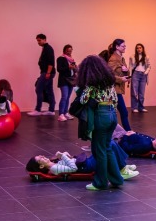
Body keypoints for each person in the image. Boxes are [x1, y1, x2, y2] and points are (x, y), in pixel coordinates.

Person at [75, 55, 124, 191]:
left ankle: (100, 182)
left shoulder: (92, 85)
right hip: (112, 114)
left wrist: (80, 90)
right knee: (107, 147)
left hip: (101, 115)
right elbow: (115, 100)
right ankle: (116, 179)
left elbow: (83, 100)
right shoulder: (109, 82)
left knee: (99, 150)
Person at [26, 147, 140, 181]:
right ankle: (122, 170)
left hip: (85, 163)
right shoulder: (54, 169)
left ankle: (122, 166)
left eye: (41, 155)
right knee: (108, 146)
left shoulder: (54, 163)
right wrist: (63, 156)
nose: (43, 156)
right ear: (41, 166)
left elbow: (70, 163)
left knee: (109, 144)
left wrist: (67, 156)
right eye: (40, 159)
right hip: (86, 167)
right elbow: (73, 168)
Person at [106, 39, 132, 131]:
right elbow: (109, 75)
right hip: (114, 89)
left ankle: (125, 132)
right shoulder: (113, 59)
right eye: (123, 46)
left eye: (125, 46)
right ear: (117, 47)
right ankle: (128, 132)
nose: (125, 47)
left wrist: (127, 71)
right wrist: (121, 79)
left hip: (118, 89)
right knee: (123, 112)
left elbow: (124, 71)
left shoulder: (121, 58)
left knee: (119, 112)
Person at [31, 33, 56, 116]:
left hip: (47, 72)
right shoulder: (45, 48)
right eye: (37, 41)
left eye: (39, 40)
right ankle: (51, 110)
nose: (38, 42)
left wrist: (48, 73)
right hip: (46, 72)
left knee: (38, 89)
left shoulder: (48, 48)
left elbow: (51, 62)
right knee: (49, 90)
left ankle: (38, 110)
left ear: (44, 39)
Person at [56, 44, 77, 121]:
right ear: (64, 50)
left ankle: (65, 113)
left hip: (71, 80)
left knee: (68, 97)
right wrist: (68, 67)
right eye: (68, 51)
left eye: (71, 50)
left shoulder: (72, 60)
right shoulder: (60, 58)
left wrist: (75, 68)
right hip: (64, 80)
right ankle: (61, 114)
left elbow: (74, 70)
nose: (69, 52)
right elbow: (59, 69)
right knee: (64, 97)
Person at [129, 43, 150, 113]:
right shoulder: (132, 57)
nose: (139, 49)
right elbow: (130, 67)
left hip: (143, 75)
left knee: (141, 93)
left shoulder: (146, 57)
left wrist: (146, 72)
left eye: (140, 48)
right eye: (137, 48)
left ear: (143, 49)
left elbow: (149, 66)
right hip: (135, 74)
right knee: (134, 92)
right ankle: (134, 107)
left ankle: (141, 107)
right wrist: (129, 76)